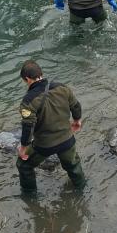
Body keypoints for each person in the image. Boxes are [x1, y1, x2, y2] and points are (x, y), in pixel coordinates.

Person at [16, 60, 86, 193]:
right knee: (73, 165)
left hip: (44, 145)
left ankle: (30, 196)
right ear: (41, 74)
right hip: (67, 140)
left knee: (23, 165)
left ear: (27, 79)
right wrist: (77, 121)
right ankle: (81, 189)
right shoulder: (62, 88)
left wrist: (23, 148)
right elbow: (76, 106)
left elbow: (28, 127)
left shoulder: (28, 101)